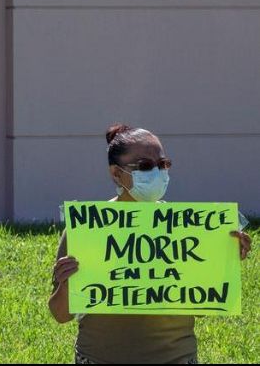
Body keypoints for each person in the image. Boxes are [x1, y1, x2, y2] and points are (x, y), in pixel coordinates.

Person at [48, 124, 253, 364]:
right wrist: (66, 285)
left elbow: (202, 308)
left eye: (163, 164)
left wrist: (223, 260)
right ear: (116, 173)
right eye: (145, 166)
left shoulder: (187, 230)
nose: (157, 172)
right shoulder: (87, 229)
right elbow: (61, 315)